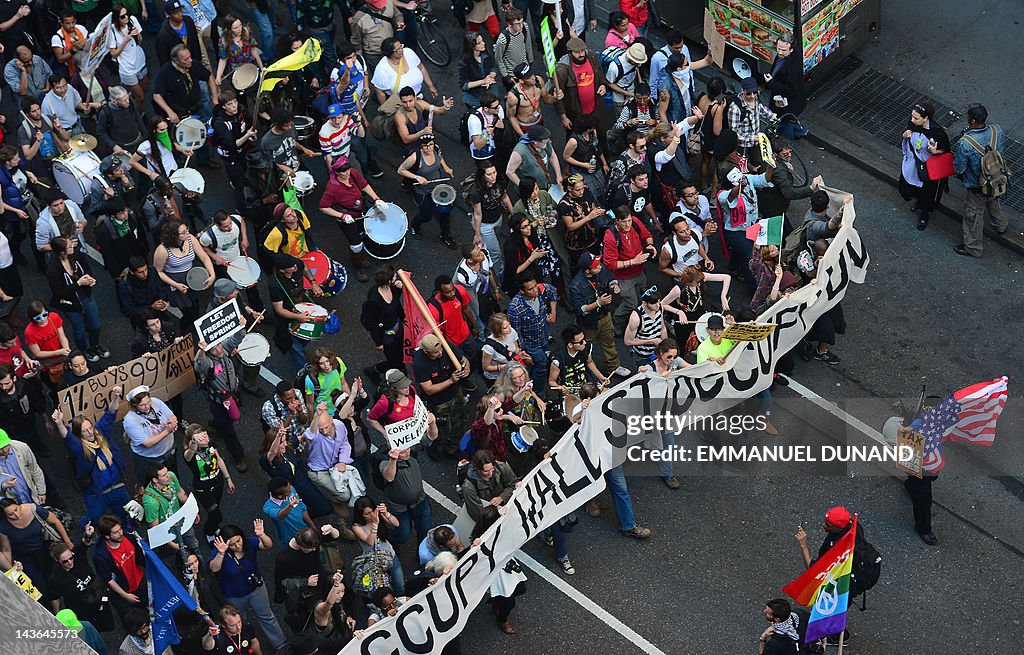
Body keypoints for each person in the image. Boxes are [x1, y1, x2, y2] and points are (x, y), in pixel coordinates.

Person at [55, 389, 131, 527]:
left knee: (126, 517)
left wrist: (115, 397)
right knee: (95, 520)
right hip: (97, 493)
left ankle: (128, 536)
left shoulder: (100, 433)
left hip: (116, 487)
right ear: (79, 433)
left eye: (90, 427)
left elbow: (110, 414)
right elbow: (67, 437)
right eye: (85, 431)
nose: (90, 432)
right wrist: (60, 423)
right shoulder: (79, 448)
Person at [210, 521, 287, 651]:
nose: (237, 546)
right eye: (232, 544)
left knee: (267, 616)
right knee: (240, 622)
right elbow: (214, 568)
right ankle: (246, 644)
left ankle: (281, 645)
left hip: (255, 589)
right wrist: (221, 553)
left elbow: (268, 545)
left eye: (238, 541)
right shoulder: (220, 551)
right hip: (234, 595)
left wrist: (262, 535)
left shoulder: (249, 542)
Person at [953, 103, 1009, 257]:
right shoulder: (997, 130)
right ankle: (1001, 225)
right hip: (996, 177)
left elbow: (960, 168)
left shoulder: (965, 143)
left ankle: (973, 247)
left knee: (973, 214)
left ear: (971, 121)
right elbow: (1000, 152)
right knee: (993, 199)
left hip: (977, 184)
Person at [319, 157, 387, 281]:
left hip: (360, 212)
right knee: (356, 244)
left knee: (362, 233)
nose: (347, 173)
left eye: (348, 169)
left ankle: (360, 258)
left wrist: (377, 199)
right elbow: (323, 207)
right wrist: (342, 216)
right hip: (347, 219)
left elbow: (364, 185)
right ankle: (357, 266)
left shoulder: (353, 174)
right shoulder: (332, 188)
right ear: (337, 172)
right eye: (344, 172)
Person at [46, 236, 107, 360]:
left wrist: (90, 279)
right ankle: (84, 350)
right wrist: (78, 284)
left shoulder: (77, 255)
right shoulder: (53, 270)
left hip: (86, 296)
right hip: (70, 304)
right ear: (62, 252)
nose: (72, 247)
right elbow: (60, 293)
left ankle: (95, 345)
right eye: (68, 246)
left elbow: (87, 270)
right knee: (79, 329)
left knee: (96, 325)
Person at [0, 497, 72, 600]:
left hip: (45, 550)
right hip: (26, 557)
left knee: (54, 578)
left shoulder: (33, 509)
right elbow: (6, 549)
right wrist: (11, 569)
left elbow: (55, 521)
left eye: (16, 509)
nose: (16, 515)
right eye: (11, 514)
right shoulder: (3, 526)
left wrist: (68, 542)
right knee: (39, 586)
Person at [470, 504, 526, 634]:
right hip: (496, 570)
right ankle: (502, 619)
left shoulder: (498, 529)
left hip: (505, 562)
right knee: (509, 601)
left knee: (521, 588)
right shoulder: (481, 539)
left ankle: (497, 600)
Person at [49, 527, 116, 633]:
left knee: (109, 625)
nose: (70, 562)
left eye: (71, 558)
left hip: (98, 595)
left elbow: (84, 544)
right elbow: (54, 596)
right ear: (57, 561)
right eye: (65, 561)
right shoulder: (56, 577)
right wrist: (58, 616)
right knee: (91, 631)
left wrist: (88, 535)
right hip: (82, 609)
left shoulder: (77, 556)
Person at [193, 341, 249, 470]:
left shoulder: (225, 351)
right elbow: (199, 365)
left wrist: (240, 324)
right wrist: (201, 351)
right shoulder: (208, 362)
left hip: (232, 395)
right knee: (228, 431)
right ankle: (238, 456)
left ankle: (216, 423)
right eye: (213, 349)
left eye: (218, 345)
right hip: (219, 401)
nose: (218, 350)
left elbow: (236, 337)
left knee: (226, 420)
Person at [717, 166, 774, 292]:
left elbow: (764, 179)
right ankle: (755, 289)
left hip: (751, 226)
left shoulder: (747, 179)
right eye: (738, 181)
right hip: (735, 232)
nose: (744, 182)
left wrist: (770, 167)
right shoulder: (722, 195)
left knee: (741, 252)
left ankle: (732, 268)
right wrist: (739, 188)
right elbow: (730, 196)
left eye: (742, 179)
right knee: (749, 259)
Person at [569, 252, 626, 377]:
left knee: (609, 342)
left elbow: (611, 278)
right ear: (587, 271)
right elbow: (580, 310)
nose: (599, 267)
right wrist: (598, 303)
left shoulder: (601, 269)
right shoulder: (576, 285)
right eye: (595, 267)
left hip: (604, 316)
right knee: (585, 346)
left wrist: (614, 285)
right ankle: (584, 368)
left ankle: (613, 366)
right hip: (588, 323)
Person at [412, 335, 470, 458]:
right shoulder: (419, 363)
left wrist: (466, 368)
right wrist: (451, 381)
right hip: (439, 402)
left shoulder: (446, 347)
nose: (439, 353)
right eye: (435, 352)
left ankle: (452, 449)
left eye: (440, 350)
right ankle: (435, 449)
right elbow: (429, 389)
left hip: (455, 394)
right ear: (426, 352)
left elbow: (463, 359)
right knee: (442, 429)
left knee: (458, 422)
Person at [259, 426, 333, 520]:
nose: (285, 444)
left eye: (284, 440)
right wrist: (278, 437)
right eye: (281, 442)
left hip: (303, 483)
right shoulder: (266, 460)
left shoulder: (287, 447)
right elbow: (272, 452)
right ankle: (299, 517)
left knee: (326, 508)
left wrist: (317, 416)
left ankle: (302, 516)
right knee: (298, 512)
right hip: (289, 491)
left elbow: (304, 436)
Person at [603, 206, 656, 334]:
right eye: (624, 222)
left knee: (642, 296)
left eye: (629, 221)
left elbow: (647, 235)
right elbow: (610, 264)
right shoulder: (610, 236)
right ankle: (617, 321)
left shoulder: (635, 222)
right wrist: (632, 262)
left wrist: (650, 245)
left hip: (640, 271)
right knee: (630, 303)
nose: (628, 225)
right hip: (624, 277)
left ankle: (638, 318)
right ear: (616, 221)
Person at [898, 101, 950, 231]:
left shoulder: (937, 133)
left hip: (928, 169)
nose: (912, 120)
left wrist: (935, 152)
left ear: (926, 118)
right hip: (913, 164)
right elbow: (908, 134)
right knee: (905, 188)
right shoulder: (913, 125)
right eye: (912, 116)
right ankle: (918, 201)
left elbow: (945, 151)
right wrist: (905, 136)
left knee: (927, 193)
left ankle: (924, 215)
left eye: (916, 118)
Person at [302, 403, 357, 525]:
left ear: (332, 421)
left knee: (355, 486)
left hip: (335, 466)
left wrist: (342, 461)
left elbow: (344, 444)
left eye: (326, 427)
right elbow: (309, 434)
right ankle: (332, 499)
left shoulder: (340, 425)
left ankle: (333, 496)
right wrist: (316, 416)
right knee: (344, 495)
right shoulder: (315, 434)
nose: (324, 431)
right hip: (318, 471)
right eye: (321, 429)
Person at [154, 220, 215, 328]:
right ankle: (181, 330)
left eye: (187, 229)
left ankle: (193, 324)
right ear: (174, 236)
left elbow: (204, 257)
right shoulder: (162, 250)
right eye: (183, 232)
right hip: (176, 282)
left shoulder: (190, 239)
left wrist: (212, 274)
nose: (187, 233)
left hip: (192, 277)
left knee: (195, 305)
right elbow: (158, 271)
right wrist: (175, 285)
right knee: (189, 312)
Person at [400, 133, 456, 249]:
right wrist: (417, 177)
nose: (429, 148)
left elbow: (440, 157)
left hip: (437, 188)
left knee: (445, 213)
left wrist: (445, 167)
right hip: (423, 191)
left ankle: (445, 236)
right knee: (426, 215)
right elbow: (401, 170)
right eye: (426, 146)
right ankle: (415, 226)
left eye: (431, 144)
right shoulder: (415, 157)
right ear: (421, 146)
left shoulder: (435, 148)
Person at [269, 253, 324, 370]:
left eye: (294, 264)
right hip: (288, 314)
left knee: (306, 335)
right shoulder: (275, 285)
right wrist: (297, 317)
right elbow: (279, 309)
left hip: (301, 306)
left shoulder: (296, 264)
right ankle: (302, 370)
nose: (295, 267)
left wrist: (313, 283)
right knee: (295, 345)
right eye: (291, 267)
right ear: (283, 271)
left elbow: (304, 267)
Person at [510, 176, 565, 290]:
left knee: (556, 268)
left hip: (549, 237)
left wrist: (552, 216)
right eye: (532, 191)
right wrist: (533, 225)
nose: (536, 192)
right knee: (539, 271)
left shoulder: (544, 195)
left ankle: (561, 293)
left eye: (536, 188)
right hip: (534, 242)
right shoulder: (519, 207)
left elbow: (554, 207)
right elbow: (515, 229)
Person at [183, 423, 236, 543]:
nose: (206, 439)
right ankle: (209, 531)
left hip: (218, 483)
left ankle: (213, 526)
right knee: (216, 514)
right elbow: (189, 453)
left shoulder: (210, 444)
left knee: (216, 509)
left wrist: (228, 479)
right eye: (202, 438)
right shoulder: (190, 453)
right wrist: (193, 443)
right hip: (203, 489)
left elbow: (219, 460)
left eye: (206, 434)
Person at [506, 271, 558, 390]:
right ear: (522, 291)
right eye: (530, 289)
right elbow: (515, 333)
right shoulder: (515, 308)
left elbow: (553, 291)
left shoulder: (540, 289)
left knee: (546, 358)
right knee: (541, 366)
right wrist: (523, 352)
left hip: (544, 336)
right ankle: (536, 392)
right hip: (531, 344)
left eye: (535, 286)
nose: (535, 290)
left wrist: (553, 312)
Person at [93, 515, 148, 625]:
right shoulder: (101, 555)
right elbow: (108, 579)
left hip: (140, 582)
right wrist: (125, 596)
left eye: (120, 529)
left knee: (145, 610)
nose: (121, 533)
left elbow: (140, 555)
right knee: (131, 621)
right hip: (122, 593)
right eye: (116, 532)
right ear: (107, 536)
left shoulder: (128, 537)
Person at [662, 265, 731, 352]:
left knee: (701, 335)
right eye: (696, 282)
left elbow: (726, 277)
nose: (699, 284)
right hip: (685, 318)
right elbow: (662, 304)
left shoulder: (701, 277)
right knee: (683, 341)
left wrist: (723, 296)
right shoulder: (678, 289)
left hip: (699, 314)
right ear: (689, 282)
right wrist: (679, 312)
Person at [140, 462, 202, 557]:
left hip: (181, 521)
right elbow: (155, 528)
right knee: (176, 555)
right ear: (155, 480)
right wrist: (173, 545)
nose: (168, 476)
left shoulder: (171, 476)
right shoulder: (150, 502)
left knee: (193, 545)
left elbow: (180, 492)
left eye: (167, 472)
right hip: (168, 531)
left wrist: (192, 511)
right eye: (164, 475)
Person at [467, 161, 513, 284]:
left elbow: (504, 197)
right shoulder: (476, 191)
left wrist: (512, 213)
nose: (493, 176)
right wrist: (477, 234)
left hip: (498, 218)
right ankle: (501, 274)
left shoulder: (499, 182)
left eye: (494, 172)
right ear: (483, 176)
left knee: (496, 239)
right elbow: (477, 213)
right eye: (489, 174)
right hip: (485, 225)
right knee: (496, 252)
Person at [351, 496, 405, 596]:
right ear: (360, 515)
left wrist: (386, 514)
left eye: (372, 511)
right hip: (374, 563)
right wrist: (375, 524)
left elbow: (396, 524)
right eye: (367, 514)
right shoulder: (356, 526)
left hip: (390, 555)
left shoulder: (378, 515)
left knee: (400, 586)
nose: (371, 515)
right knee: (383, 591)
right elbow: (370, 541)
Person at [554, 38, 608, 138]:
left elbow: (600, 74)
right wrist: (563, 117)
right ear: (569, 53)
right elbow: (558, 97)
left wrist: (603, 84)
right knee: (576, 141)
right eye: (577, 52)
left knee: (601, 137)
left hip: (595, 110)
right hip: (576, 115)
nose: (581, 54)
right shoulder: (562, 70)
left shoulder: (592, 56)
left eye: (582, 51)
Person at [359, 265, 405, 382]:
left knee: (400, 354)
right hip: (385, 335)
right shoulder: (374, 300)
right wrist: (378, 342)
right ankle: (373, 371)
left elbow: (395, 303)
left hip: (397, 327)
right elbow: (371, 322)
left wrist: (399, 289)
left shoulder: (393, 288)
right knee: (394, 361)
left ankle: (400, 368)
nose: (396, 277)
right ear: (389, 281)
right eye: (394, 276)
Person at [122, 385, 179, 477]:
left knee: (172, 477)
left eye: (148, 402)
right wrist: (168, 430)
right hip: (150, 459)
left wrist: (173, 423)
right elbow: (147, 443)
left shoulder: (155, 402)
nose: (147, 407)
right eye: (142, 405)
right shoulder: (130, 420)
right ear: (134, 405)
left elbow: (171, 416)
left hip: (168, 451)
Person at [428, 275, 482, 368]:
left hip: (466, 334)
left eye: (453, 289)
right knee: (458, 363)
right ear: (439, 292)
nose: (452, 293)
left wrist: (475, 326)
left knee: (473, 355)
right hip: (451, 342)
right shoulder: (433, 308)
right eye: (448, 292)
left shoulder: (460, 291)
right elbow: (437, 332)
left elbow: (466, 309)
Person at [557, 173, 605, 274]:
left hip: (591, 235)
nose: (581, 191)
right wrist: (588, 217)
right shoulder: (564, 204)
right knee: (577, 267)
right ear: (570, 188)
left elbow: (592, 207)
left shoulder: (586, 191)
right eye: (578, 190)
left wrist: (597, 212)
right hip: (575, 242)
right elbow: (570, 226)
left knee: (596, 260)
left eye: (582, 188)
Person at [764, 32, 807, 140]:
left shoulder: (792, 67)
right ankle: (800, 131)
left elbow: (791, 90)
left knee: (785, 125)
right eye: (778, 48)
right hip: (789, 103)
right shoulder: (787, 56)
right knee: (789, 120)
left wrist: (771, 83)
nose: (779, 52)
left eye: (783, 50)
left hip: (787, 105)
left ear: (791, 50)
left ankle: (785, 145)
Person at [22, 301, 73, 391]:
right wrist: (58, 352)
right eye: (38, 318)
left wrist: (66, 348)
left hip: (62, 354)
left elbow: (62, 336)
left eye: (45, 314)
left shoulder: (54, 317)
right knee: (54, 382)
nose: (42, 319)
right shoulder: (29, 332)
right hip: (48, 361)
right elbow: (37, 353)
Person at [561, 119, 608, 214]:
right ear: (586, 129)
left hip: (595, 167)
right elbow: (566, 157)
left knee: (602, 188)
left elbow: (597, 148)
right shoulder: (574, 141)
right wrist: (584, 165)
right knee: (590, 192)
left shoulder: (592, 134)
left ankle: (605, 208)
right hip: (581, 170)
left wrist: (604, 163)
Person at [455, 244, 501, 339]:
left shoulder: (485, 255)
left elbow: (489, 273)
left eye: (479, 250)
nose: (481, 254)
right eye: (477, 254)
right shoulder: (463, 276)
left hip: (486, 291)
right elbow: (468, 295)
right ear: (470, 260)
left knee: (491, 310)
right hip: (475, 297)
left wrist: (496, 290)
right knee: (479, 317)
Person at [549, 324, 610, 396]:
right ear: (570, 345)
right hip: (570, 392)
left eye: (584, 339)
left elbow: (589, 363)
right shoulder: (558, 359)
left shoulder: (586, 348)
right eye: (581, 342)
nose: (584, 342)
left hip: (585, 387)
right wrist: (560, 388)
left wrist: (601, 377)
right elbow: (551, 381)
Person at [371, 38, 438, 103]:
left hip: (418, 98)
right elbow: (379, 92)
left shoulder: (408, 52)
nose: (401, 50)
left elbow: (421, 68)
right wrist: (386, 110)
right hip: (400, 104)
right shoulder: (382, 69)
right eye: (398, 49)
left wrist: (431, 86)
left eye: (401, 46)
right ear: (390, 53)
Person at [393, 86, 454, 157]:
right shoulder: (399, 117)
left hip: (425, 141)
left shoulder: (421, 104)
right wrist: (422, 133)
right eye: (404, 102)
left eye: (410, 101)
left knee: (436, 154)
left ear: (415, 98)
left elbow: (438, 111)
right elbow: (406, 139)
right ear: (400, 101)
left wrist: (445, 107)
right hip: (412, 148)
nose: (408, 105)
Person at [107, 5, 148, 105]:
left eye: (127, 14)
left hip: (140, 61)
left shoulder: (132, 20)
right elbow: (113, 54)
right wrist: (125, 41)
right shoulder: (112, 31)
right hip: (127, 68)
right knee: (140, 97)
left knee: (145, 89)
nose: (126, 17)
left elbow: (140, 41)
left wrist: (137, 34)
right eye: (122, 16)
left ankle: (130, 98)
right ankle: (137, 114)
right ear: (116, 19)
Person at [729, 76, 777, 164]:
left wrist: (772, 116)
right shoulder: (735, 108)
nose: (752, 96)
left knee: (757, 162)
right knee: (743, 165)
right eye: (749, 93)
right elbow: (733, 132)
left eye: (754, 93)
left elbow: (761, 108)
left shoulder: (756, 97)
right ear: (742, 91)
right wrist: (752, 138)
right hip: (742, 145)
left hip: (755, 141)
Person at [351, 0, 405, 72]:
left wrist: (399, 21)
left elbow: (397, 15)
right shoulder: (358, 19)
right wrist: (360, 59)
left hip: (391, 50)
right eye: (377, 5)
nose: (381, 7)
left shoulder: (388, 2)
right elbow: (356, 40)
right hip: (374, 55)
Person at [507, 124, 562, 192]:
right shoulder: (519, 152)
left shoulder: (545, 142)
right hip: (531, 189)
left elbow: (552, 156)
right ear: (535, 142)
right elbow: (509, 172)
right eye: (544, 141)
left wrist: (558, 175)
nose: (547, 141)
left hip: (544, 183)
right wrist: (526, 188)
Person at [659, 214, 713, 280]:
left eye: (687, 229)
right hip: (682, 281)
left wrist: (706, 258)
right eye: (682, 232)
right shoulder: (668, 250)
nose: (687, 233)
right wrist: (681, 275)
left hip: (697, 275)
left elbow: (698, 245)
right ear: (675, 233)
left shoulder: (695, 234)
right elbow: (663, 268)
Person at [215, 14, 263, 87]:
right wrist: (218, 76)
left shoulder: (247, 32)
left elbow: (253, 50)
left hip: (251, 66)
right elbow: (223, 59)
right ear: (229, 29)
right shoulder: (223, 41)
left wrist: (262, 68)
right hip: (237, 71)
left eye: (240, 25)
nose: (239, 29)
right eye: (235, 28)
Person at [624, 285, 666, 369]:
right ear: (644, 303)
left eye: (658, 301)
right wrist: (651, 341)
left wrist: (665, 345)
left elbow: (662, 328)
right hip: (643, 356)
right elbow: (628, 341)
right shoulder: (636, 317)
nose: (658, 305)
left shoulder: (659, 308)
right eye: (653, 303)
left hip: (658, 351)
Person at [263, 477, 314, 544]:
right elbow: (279, 516)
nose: (291, 489)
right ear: (280, 496)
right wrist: (290, 505)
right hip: (291, 537)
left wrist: (312, 525)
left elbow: (302, 507)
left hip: (304, 528)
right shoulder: (268, 507)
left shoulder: (291, 489)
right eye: (289, 490)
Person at [459, 33, 499, 108]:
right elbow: (464, 85)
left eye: (482, 41)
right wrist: (483, 81)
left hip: (489, 91)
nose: (483, 43)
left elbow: (493, 67)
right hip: (474, 97)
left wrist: (490, 77)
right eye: (479, 43)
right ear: (472, 46)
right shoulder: (464, 63)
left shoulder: (486, 53)